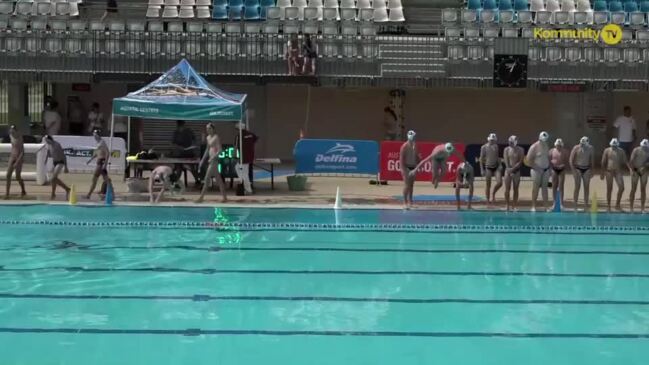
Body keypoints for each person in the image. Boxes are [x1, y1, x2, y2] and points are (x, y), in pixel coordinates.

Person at [196, 123, 227, 203]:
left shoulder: (216, 137)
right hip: (210, 160)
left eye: (209, 128)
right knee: (219, 179)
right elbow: (207, 150)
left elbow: (220, 150)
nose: (208, 130)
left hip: (214, 160)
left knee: (207, 178)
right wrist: (202, 160)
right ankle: (224, 197)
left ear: (213, 129)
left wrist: (213, 157)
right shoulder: (208, 138)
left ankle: (201, 197)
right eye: (207, 129)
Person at [526, 131, 551, 212]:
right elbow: (528, 160)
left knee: (545, 188)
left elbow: (547, 158)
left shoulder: (546, 145)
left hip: (546, 169)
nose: (544, 141)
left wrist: (549, 168)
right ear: (539, 138)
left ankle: (546, 206)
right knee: (535, 188)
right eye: (543, 140)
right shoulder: (534, 147)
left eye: (545, 140)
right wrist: (537, 168)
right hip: (536, 170)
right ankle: (533, 206)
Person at [569, 136, 595, 212]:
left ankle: (586, 205)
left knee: (586, 187)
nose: (582, 145)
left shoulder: (591, 148)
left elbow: (592, 160)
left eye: (583, 144)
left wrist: (592, 171)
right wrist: (573, 170)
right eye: (581, 144)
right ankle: (575, 205)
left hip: (586, 168)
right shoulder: (576, 148)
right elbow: (571, 160)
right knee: (577, 186)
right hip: (577, 168)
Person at [601, 138, 627, 212]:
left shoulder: (621, 151)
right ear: (611, 145)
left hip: (618, 171)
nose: (614, 147)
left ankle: (617, 204)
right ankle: (608, 206)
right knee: (609, 188)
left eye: (615, 146)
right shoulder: (607, 150)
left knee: (622, 188)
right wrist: (602, 172)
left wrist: (630, 169)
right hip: (609, 171)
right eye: (613, 146)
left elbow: (625, 161)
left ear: (617, 145)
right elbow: (603, 161)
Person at [43, 135, 70, 200]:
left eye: (47, 141)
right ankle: (53, 193)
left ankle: (67, 189)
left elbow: (63, 156)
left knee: (53, 178)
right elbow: (48, 152)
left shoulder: (57, 145)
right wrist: (46, 159)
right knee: (54, 180)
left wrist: (66, 166)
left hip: (60, 162)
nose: (46, 142)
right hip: (54, 163)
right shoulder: (49, 145)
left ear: (50, 139)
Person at [234, 122, 258, 192]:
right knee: (244, 171)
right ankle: (246, 186)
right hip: (250, 156)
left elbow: (235, 148)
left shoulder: (238, 136)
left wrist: (234, 156)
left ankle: (248, 188)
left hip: (243, 157)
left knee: (243, 172)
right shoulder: (251, 134)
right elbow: (255, 140)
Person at [85, 130, 110, 200]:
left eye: (95, 135)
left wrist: (105, 164)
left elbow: (107, 153)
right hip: (100, 162)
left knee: (94, 179)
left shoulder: (102, 142)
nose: (94, 137)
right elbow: (97, 153)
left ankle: (88, 195)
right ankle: (111, 194)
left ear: (98, 135)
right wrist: (90, 160)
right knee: (106, 180)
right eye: (93, 135)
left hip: (101, 163)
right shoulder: (98, 142)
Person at [479, 133, 502, 205]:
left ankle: (493, 193)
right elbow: (481, 159)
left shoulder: (496, 146)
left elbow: (498, 157)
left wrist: (500, 164)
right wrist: (482, 169)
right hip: (488, 167)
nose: (492, 141)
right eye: (491, 140)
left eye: (493, 140)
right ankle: (487, 200)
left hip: (496, 167)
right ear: (488, 139)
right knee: (488, 185)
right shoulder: (484, 147)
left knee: (499, 183)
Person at [4, 125, 27, 199]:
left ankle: (23, 190)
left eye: (13, 131)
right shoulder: (11, 135)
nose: (12, 133)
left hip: (19, 158)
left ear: (16, 131)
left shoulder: (19, 138)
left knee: (17, 176)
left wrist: (17, 162)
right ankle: (7, 194)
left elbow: (22, 152)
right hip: (12, 156)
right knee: (8, 175)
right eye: (11, 131)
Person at [503, 135, 524, 212]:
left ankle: (514, 206)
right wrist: (509, 170)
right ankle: (507, 205)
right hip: (508, 171)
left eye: (511, 142)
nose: (510, 143)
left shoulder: (521, 150)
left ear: (515, 142)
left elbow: (520, 162)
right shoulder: (506, 149)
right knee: (507, 189)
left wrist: (513, 170)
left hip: (516, 171)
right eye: (509, 142)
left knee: (516, 189)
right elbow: (506, 160)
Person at [628, 139, 649, 213]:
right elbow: (631, 161)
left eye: (645, 147)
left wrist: (645, 166)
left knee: (643, 189)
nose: (644, 148)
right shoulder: (636, 150)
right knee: (633, 188)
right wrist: (633, 170)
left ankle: (642, 208)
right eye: (643, 147)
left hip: (644, 171)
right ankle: (631, 208)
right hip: (635, 170)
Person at [400, 130, 419, 209]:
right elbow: (401, 159)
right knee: (407, 185)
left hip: (413, 167)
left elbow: (416, 157)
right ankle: (404, 203)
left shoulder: (415, 145)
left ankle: (410, 202)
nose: (414, 137)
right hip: (406, 167)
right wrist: (404, 170)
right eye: (413, 136)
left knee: (411, 185)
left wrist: (417, 166)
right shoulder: (404, 146)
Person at [549, 138, 569, 208]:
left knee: (561, 186)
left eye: (560, 145)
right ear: (555, 145)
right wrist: (551, 167)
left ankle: (561, 203)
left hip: (562, 169)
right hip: (554, 169)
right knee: (554, 186)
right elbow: (549, 160)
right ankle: (554, 202)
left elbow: (567, 161)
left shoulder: (565, 151)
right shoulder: (551, 151)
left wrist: (564, 165)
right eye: (557, 145)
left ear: (561, 145)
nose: (558, 146)